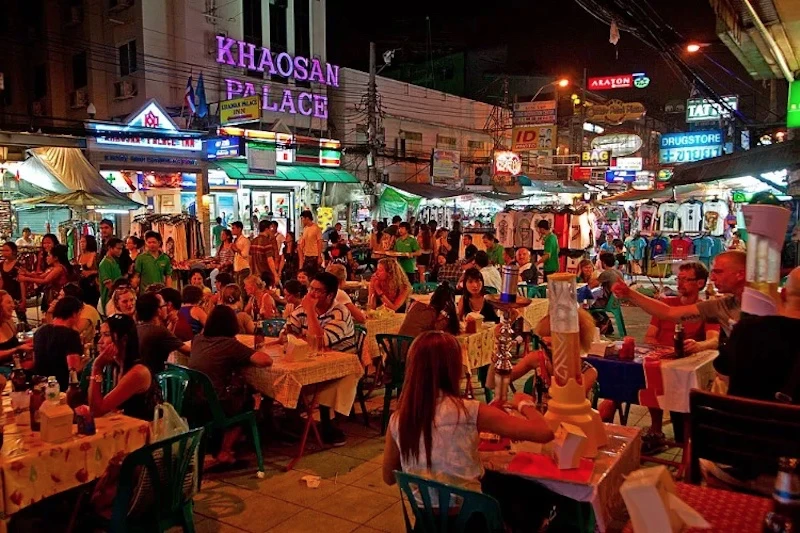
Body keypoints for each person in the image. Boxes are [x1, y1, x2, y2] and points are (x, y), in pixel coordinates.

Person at [382, 331, 553, 494]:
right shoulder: (469, 411)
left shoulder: (398, 419)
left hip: (425, 520)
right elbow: (544, 432)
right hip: (472, 518)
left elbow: (389, 477)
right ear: (453, 369)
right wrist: (524, 404)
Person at [189, 305, 273, 465]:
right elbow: (265, 360)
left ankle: (229, 440)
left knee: (239, 391)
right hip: (215, 406)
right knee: (250, 400)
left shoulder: (198, 340)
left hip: (193, 402)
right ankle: (225, 451)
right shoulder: (229, 345)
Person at [283, 272, 356, 445]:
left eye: (317, 291)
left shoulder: (340, 312)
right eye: (311, 289)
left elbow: (321, 341)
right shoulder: (301, 309)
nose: (311, 294)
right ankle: (291, 424)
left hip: (343, 366)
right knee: (284, 374)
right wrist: (299, 335)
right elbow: (286, 334)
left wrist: (309, 313)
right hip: (311, 361)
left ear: (330, 295)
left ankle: (329, 426)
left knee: (326, 383)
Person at [613, 250, 745, 339]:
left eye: (718, 272)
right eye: (679, 279)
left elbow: (712, 339)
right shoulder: (720, 305)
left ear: (740, 274)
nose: (713, 278)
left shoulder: (760, 308)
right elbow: (669, 313)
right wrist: (629, 293)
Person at [88, 314, 162, 420]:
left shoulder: (138, 372)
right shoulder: (116, 365)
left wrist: (96, 367)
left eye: (106, 335)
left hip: (148, 432)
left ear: (124, 339)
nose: (100, 341)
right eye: (101, 335)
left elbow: (96, 411)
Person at [33, 296, 83, 390]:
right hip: (61, 387)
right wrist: (86, 362)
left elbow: (35, 360)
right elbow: (74, 369)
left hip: (40, 386)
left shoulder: (39, 331)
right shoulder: (71, 335)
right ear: (74, 314)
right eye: (79, 314)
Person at [135, 292, 190, 373]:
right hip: (154, 379)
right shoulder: (159, 331)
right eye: (164, 305)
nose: (167, 308)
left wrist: (173, 323)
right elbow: (188, 352)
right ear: (158, 311)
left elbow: (168, 342)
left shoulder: (137, 328)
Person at [20, 243, 71, 311]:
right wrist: (27, 273)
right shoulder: (54, 268)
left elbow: (45, 280)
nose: (46, 258)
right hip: (54, 294)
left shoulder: (58, 269)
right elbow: (41, 277)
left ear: (55, 258)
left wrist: (26, 278)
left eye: (49, 256)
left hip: (60, 295)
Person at [0, 290, 32, 364]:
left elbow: (13, 343)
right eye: (9, 302)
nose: (13, 305)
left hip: (16, 364)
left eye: (12, 302)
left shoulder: (9, 321)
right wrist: (17, 349)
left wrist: (27, 342)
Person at [0, 242, 28, 323]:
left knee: (22, 319)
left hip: (17, 295)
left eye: (7, 250)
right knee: (4, 317)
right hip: (5, 295)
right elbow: (2, 280)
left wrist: (23, 299)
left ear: (14, 251)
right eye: (3, 250)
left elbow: (22, 283)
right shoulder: (1, 264)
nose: (4, 252)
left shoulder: (18, 265)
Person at [98, 238, 124, 313]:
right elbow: (109, 284)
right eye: (118, 248)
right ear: (110, 248)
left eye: (121, 249)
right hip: (109, 300)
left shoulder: (114, 262)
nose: (120, 251)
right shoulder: (105, 263)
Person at [76, 235, 100, 307]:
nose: (82, 244)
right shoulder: (80, 256)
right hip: (81, 285)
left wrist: (90, 272)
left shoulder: (95, 255)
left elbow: (101, 270)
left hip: (92, 285)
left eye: (84, 242)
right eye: (80, 242)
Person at [230, 221, 251, 290]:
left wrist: (236, 249)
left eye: (233, 228)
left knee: (242, 289)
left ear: (239, 229)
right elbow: (235, 255)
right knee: (237, 288)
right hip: (237, 268)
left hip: (243, 268)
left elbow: (245, 255)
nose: (232, 230)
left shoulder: (245, 240)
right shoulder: (235, 240)